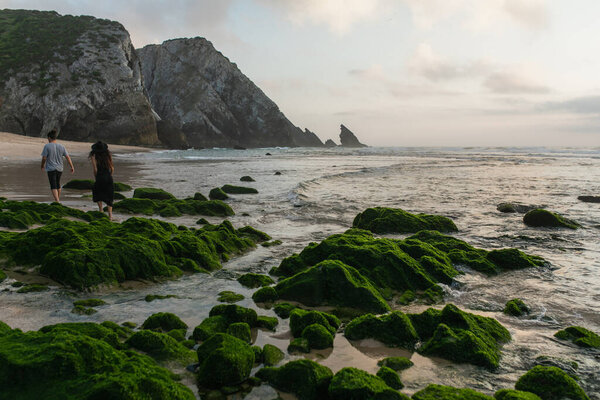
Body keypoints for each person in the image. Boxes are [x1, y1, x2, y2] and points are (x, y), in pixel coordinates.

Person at [41, 130, 74, 203]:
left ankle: (57, 200)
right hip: (60, 168)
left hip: (51, 168)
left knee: (53, 184)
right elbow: (68, 157)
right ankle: (57, 199)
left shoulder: (47, 146)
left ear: (49, 138)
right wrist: (72, 166)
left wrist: (42, 165)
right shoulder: (62, 146)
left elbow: (44, 158)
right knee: (58, 184)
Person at [89, 141, 115, 220]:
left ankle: (101, 210)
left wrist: (96, 177)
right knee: (109, 195)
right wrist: (110, 175)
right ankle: (110, 215)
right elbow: (112, 168)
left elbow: (95, 169)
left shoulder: (94, 156)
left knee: (97, 192)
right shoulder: (108, 155)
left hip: (100, 176)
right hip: (108, 176)